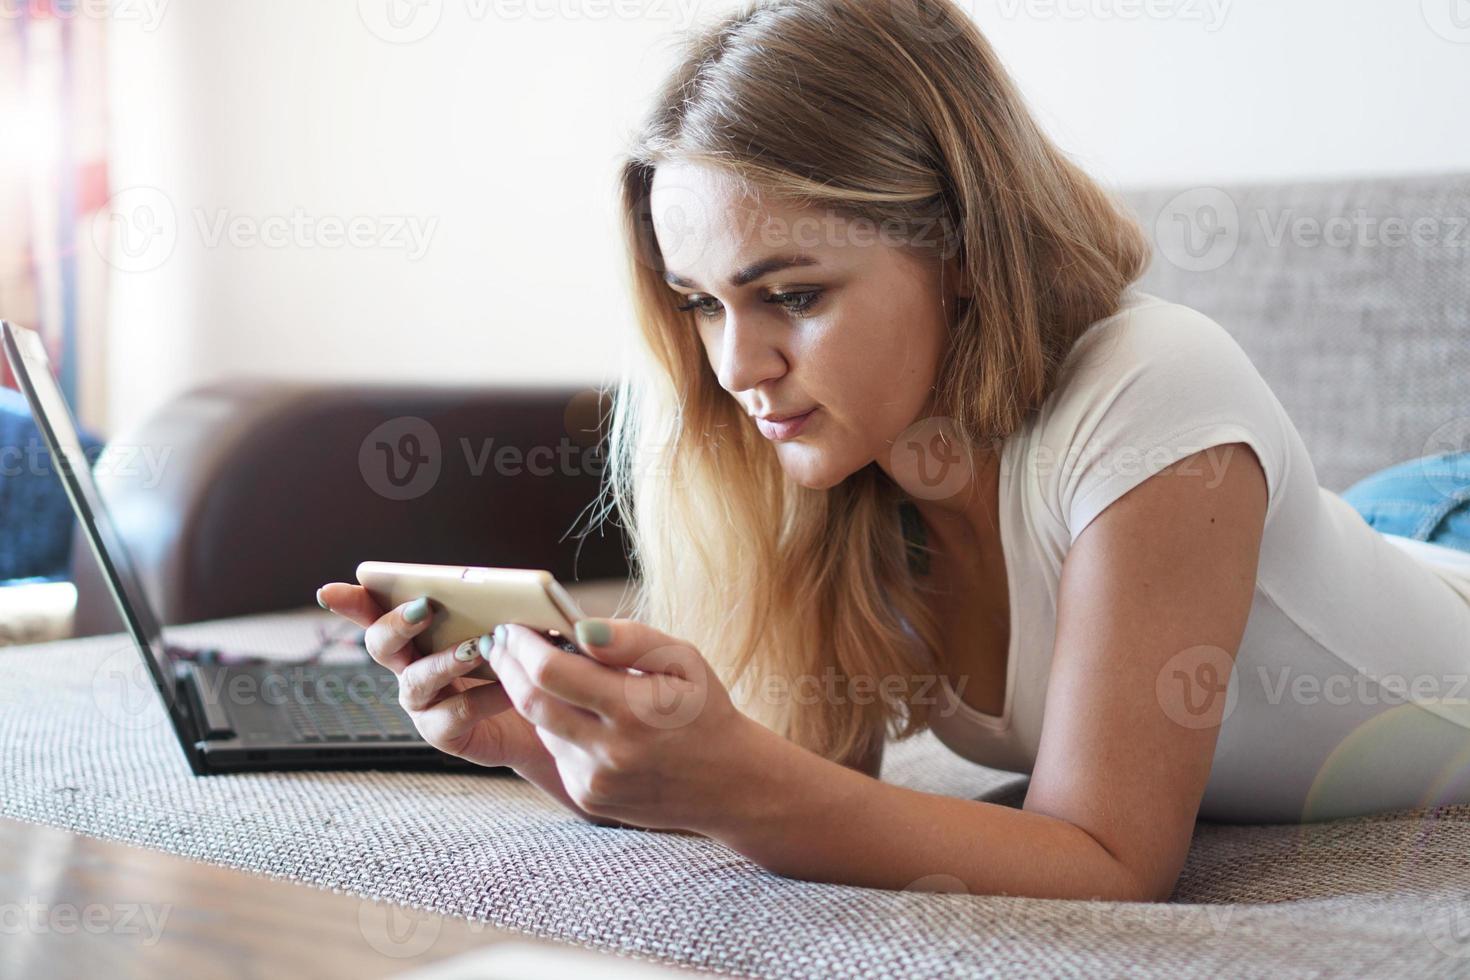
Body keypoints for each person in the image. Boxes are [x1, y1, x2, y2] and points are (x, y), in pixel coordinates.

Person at [317, 0, 1470, 902]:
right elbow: (821, 791)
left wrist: (742, 782)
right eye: (703, 304)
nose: (734, 368)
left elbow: (1112, 861)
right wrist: (544, 746)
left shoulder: (1154, 385)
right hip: (1360, 538)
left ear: (962, 244)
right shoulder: (851, 463)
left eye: (793, 294)